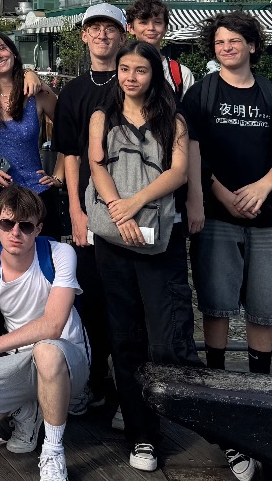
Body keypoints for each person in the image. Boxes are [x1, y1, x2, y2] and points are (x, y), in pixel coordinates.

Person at [182, 10, 272, 481]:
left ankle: (260, 395)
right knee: (216, 304)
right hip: (216, 213)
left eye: (236, 41)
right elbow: (189, 150)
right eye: (220, 41)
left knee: (264, 306)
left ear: (253, 46)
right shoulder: (202, 94)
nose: (227, 47)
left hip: (267, 215)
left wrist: (262, 187)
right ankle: (215, 390)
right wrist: (219, 192)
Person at [86, 40, 197, 473]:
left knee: (166, 338)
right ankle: (141, 434)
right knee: (125, 338)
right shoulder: (102, 116)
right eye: (124, 69)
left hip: (160, 240)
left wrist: (135, 204)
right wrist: (118, 209)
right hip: (114, 241)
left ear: (155, 76)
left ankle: (176, 415)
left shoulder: (174, 120)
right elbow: (97, 165)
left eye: (140, 70)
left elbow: (178, 171)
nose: (131, 77)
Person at [0, 186, 89, 481]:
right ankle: (28, 406)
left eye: (25, 226)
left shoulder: (60, 254)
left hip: (67, 357)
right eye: (7, 223)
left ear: (38, 229)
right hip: (22, 361)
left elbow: (52, 325)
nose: (16, 232)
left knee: (46, 350)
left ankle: (52, 451)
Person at [49, 1, 127, 417]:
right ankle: (94, 380)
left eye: (110, 28)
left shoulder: (136, 82)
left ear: (122, 36)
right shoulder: (74, 91)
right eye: (94, 28)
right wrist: (76, 213)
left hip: (132, 208)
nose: (102, 35)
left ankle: (127, 390)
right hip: (88, 211)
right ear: (84, 36)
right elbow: (70, 156)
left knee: (128, 302)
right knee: (91, 301)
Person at [0, 30, 62, 245]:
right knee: (1, 269)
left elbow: (70, 133)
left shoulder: (37, 93)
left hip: (38, 195)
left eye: (2, 48)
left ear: (13, 51)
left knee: (46, 266)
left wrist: (58, 176)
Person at [126, 0, 195, 95]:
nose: (151, 28)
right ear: (130, 28)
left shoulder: (181, 74)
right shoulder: (120, 70)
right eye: (143, 22)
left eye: (157, 22)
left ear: (166, 28)